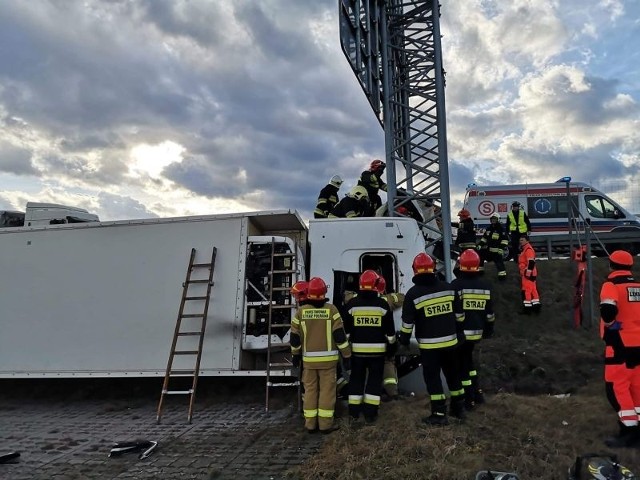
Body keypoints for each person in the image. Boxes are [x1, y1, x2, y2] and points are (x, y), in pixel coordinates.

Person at [399, 253, 466, 425]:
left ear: (415, 270)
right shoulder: (449, 288)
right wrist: (458, 333)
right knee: (453, 376)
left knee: (433, 379)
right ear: (433, 268)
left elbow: (407, 324)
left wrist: (404, 340)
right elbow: (460, 316)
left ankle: (438, 413)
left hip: (430, 348)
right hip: (451, 345)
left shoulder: (413, 294)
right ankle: (459, 409)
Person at [290, 277, 352, 434]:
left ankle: (310, 425)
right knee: (327, 392)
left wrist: (295, 356)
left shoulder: (300, 313)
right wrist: (347, 355)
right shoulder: (332, 310)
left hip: (308, 362)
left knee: (310, 391)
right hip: (329, 363)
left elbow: (295, 338)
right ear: (324, 292)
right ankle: (325, 425)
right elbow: (340, 336)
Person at [342, 270, 396, 424]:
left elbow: (346, 333)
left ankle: (353, 413)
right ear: (375, 285)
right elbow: (390, 333)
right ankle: (370, 414)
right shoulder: (383, 305)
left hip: (357, 354)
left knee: (356, 380)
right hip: (377, 354)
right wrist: (392, 348)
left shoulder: (352, 305)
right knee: (374, 381)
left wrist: (346, 354)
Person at [600, 250, 640, 447]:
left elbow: (608, 311)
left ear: (611, 266)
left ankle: (629, 431)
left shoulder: (611, 285)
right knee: (636, 387)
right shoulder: (638, 287)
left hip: (619, 344)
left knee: (616, 388)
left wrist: (611, 324)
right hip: (638, 344)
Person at [450, 249, 495, 410]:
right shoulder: (485, 286)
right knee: (469, 363)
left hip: (461, 334)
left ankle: (468, 399)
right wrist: (488, 331)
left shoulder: (456, 285)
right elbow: (490, 314)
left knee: (461, 366)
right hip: (477, 333)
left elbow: (454, 312)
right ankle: (477, 394)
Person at [376, 276, 405, 401]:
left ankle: (371, 393)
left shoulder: (357, 301)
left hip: (364, 343)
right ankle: (392, 392)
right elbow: (402, 298)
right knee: (388, 363)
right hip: (383, 341)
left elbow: (347, 297)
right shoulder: (387, 300)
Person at [478, 213, 508, 279]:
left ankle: (502, 275)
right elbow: (484, 238)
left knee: (499, 263)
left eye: (494, 219)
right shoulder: (489, 229)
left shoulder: (501, 229)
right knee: (481, 254)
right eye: (492, 219)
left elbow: (505, 240)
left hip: (497, 251)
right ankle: (480, 270)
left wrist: (501, 248)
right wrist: (480, 245)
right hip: (489, 250)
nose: (493, 220)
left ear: (498, 220)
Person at [518, 234, 540, 314]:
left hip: (528, 274)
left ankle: (527, 310)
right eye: (520, 240)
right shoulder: (526, 249)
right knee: (533, 290)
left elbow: (531, 262)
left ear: (527, 241)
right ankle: (536, 308)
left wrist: (527, 274)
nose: (521, 242)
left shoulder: (528, 250)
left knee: (526, 291)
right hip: (530, 273)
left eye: (522, 240)